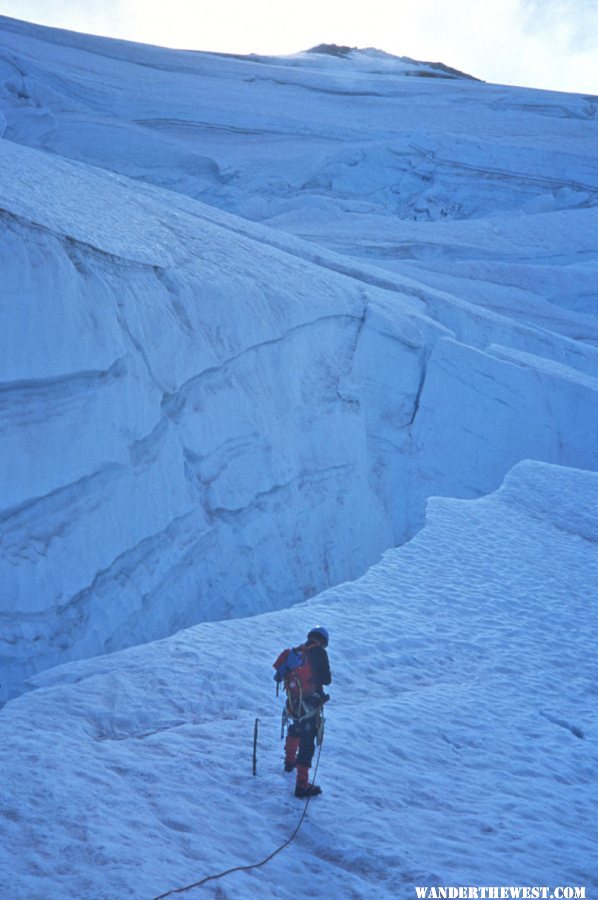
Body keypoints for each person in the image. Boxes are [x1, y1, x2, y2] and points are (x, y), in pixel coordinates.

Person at [274, 626, 331, 798]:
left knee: (296, 729)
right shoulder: (319, 653)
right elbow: (327, 680)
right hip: (310, 704)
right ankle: (302, 785)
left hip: (294, 704)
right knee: (307, 741)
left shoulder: (297, 652)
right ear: (322, 641)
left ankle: (289, 761)